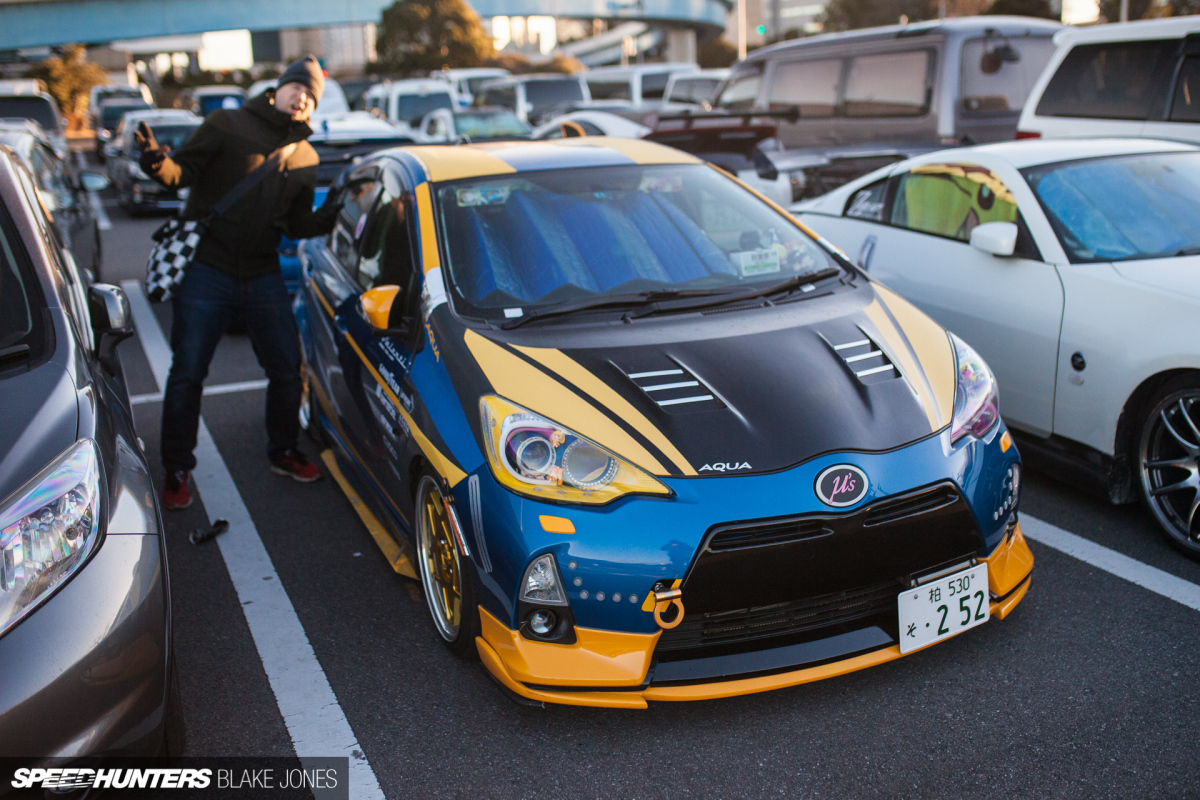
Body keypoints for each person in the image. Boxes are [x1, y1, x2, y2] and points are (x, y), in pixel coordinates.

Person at [136, 55, 343, 510]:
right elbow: (179, 175)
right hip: (207, 272)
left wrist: (333, 212)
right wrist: (156, 162)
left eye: (311, 96)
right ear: (280, 87)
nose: (302, 98)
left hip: (263, 274)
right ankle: (175, 468)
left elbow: (296, 225)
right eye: (297, 88)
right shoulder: (227, 123)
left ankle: (283, 451)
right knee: (188, 373)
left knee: (288, 370)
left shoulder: (305, 156)